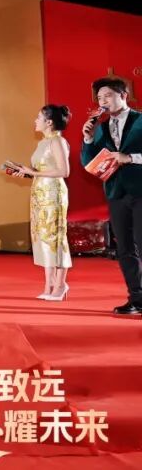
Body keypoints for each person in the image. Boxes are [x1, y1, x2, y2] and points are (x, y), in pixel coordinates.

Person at [81, 77, 142, 315]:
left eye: (108, 96)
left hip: (140, 191)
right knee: (124, 248)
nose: (103, 101)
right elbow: (89, 163)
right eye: (99, 98)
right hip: (116, 193)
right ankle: (137, 299)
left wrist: (130, 158)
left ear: (123, 95)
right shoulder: (102, 127)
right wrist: (88, 138)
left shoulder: (140, 120)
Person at [8, 105, 72, 301]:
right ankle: (48, 285)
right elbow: (42, 170)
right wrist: (27, 172)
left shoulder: (58, 141)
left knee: (55, 237)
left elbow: (64, 171)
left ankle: (60, 285)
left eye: (39, 117)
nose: (35, 121)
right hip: (39, 193)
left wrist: (33, 172)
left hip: (53, 193)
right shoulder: (43, 142)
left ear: (49, 122)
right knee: (42, 237)